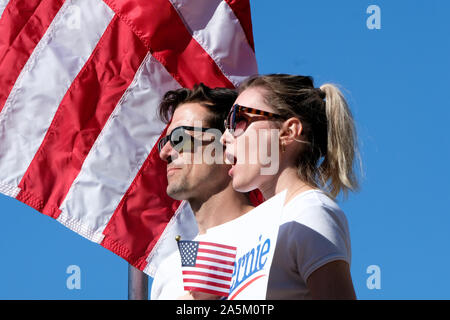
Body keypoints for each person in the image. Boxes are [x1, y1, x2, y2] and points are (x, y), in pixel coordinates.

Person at [221, 74, 360, 299]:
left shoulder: (311, 212)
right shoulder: (257, 230)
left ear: (287, 132)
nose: (224, 137)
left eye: (238, 120)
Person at [151, 83, 257, 299]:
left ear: (227, 144)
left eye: (179, 138)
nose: (165, 152)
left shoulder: (277, 230)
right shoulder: (169, 272)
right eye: (166, 141)